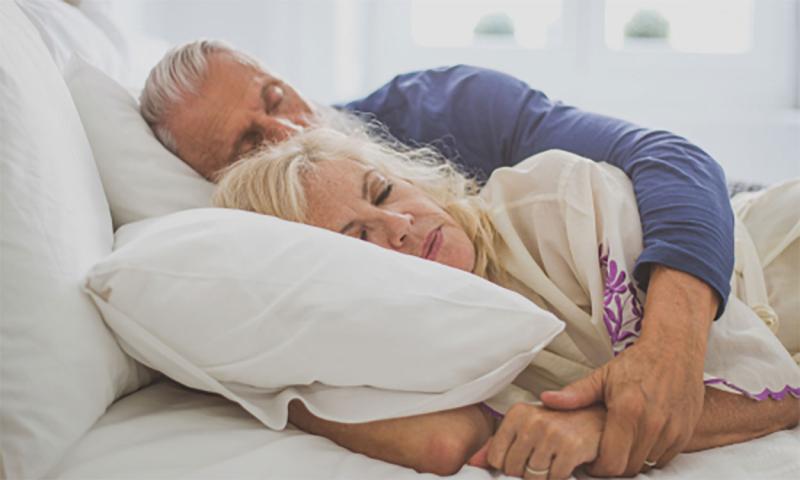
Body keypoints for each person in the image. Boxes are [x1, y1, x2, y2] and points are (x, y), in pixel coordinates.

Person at [141, 40, 737, 476]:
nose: (291, 129)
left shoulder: (448, 106)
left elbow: (674, 161)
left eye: (276, 97)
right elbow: (443, 441)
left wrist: (669, 351)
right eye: (250, 144)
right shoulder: (282, 263)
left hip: (714, 223)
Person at [210, 128, 799, 478]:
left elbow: (772, 386)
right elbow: (443, 444)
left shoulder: (558, 201)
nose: (400, 225)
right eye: (360, 239)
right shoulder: (421, 346)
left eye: (384, 192)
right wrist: (265, 391)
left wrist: (597, 428)